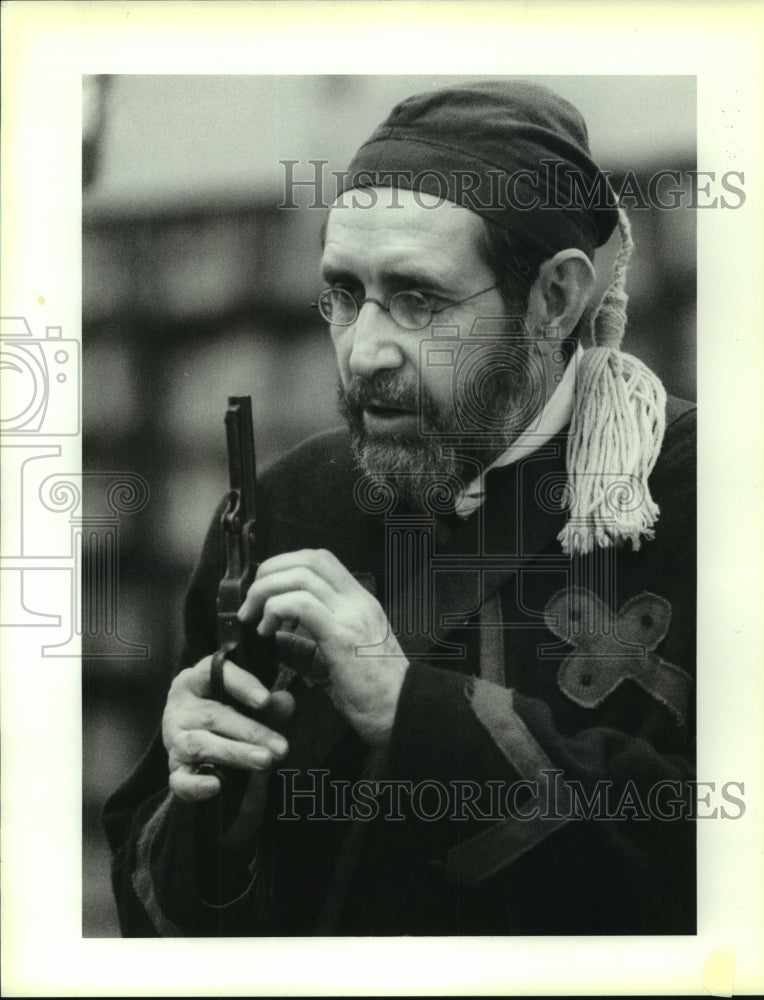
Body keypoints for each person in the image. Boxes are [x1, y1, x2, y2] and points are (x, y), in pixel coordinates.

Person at [103, 80, 696, 936]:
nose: (365, 352)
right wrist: (220, 829)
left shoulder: (718, 502)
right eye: (343, 295)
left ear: (554, 300)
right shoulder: (287, 504)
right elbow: (162, 910)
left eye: (419, 300)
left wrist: (407, 708)